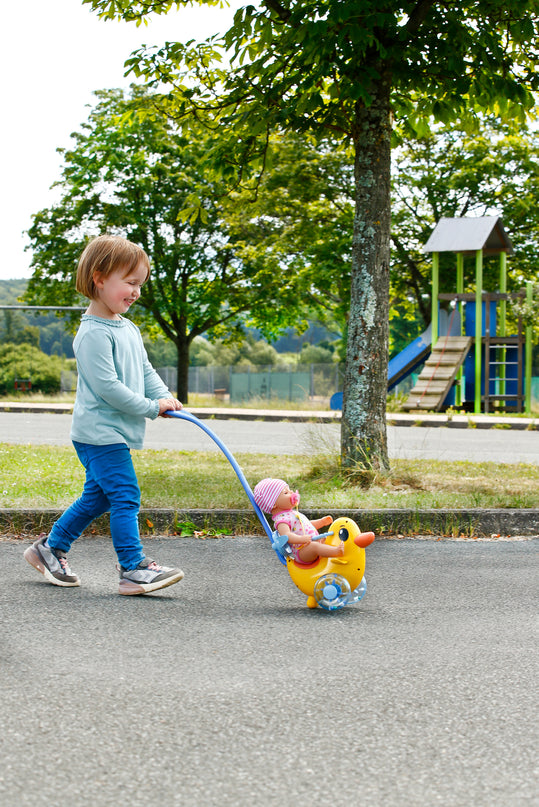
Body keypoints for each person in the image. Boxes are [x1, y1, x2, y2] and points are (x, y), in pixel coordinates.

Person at [24, 235, 184, 596]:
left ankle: (50, 548)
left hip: (114, 432)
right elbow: (108, 388)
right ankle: (133, 567)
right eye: (130, 283)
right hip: (98, 433)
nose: (136, 292)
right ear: (99, 277)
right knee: (126, 495)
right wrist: (149, 408)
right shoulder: (92, 334)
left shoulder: (127, 328)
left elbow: (144, 370)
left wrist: (162, 396)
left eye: (140, 284)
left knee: (98, 497)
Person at [253, 477, 344, 563]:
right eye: (286, 493)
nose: (292, 493)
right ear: (273, 504)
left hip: (310, 543)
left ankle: (339, 554)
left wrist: (321, 522)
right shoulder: (281, 521)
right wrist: (301, 539)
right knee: (315, 546)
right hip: (301, 552)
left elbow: (307, 526)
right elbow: (287, 536)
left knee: (326, 539)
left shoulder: (292, 513)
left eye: (290, 490)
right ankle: (336, 552)